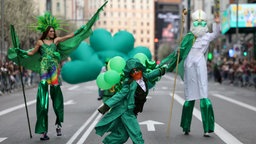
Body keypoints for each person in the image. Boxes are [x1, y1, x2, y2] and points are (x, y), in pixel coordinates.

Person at [8, 2, 107, 141]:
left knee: (57, 100)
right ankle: (43, 131)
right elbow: (31, 54)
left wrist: (83, 29)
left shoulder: (57, 41)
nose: (53, 32)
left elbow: (72, 36)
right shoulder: (40, 43)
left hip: (54, 71)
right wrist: (20, 52)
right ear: (46, 31)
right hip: (44, 71)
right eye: (51, 31)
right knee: (42, 102)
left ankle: (58, 124)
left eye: (54, 31)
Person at [158, 10, 220, 137]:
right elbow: (179, 52)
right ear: (193, 23)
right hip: (189, 66)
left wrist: (216, 22)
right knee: (189, 96)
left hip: (200, 64)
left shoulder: (207, 36)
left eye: (202, 22)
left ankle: (207, 128)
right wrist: (178, 53)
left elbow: (216, 33)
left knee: (204, 95)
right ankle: (186, 126)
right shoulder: (188, 37)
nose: (199, 24)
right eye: (197, 22)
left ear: (205, 23)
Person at [95, 58, 166, 144]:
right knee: (137, 136)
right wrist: (106, 106)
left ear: (140, 69)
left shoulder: (144, 77)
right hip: (127, 112)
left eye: (137, 70)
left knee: (122, 136)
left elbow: (152, 74)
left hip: (133, 112)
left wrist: (161, 71)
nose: (135, 73)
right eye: (132, 72)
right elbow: (119, 95)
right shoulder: (129, 84)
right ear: (130, 74)